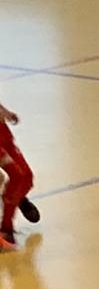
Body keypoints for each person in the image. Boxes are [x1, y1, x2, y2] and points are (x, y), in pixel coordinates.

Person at [0, 102, 39, 252]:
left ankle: (17, 198)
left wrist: (5, 112)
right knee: (16, 175)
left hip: (3, 133)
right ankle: (6, 229)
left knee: (27, 177)